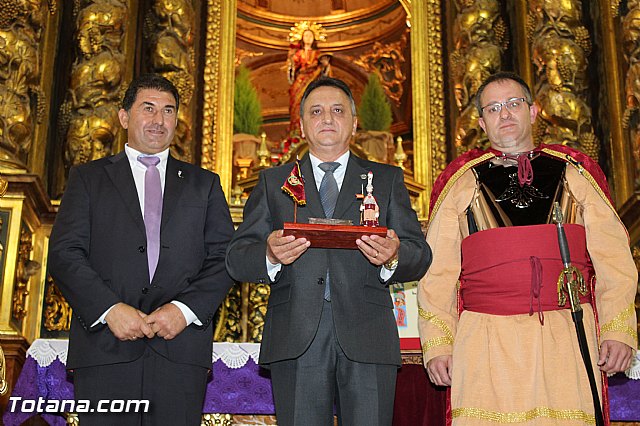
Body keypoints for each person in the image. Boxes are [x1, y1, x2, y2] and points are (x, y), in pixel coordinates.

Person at [418, 71, 638, 425]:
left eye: (514, 104)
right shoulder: (459, 184)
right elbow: (437, 275)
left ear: (534, 111)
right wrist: (439, 345)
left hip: (565, 335)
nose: (505, 114)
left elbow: (614, 261)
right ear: (481, 122)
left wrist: (616, 330)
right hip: (486, 341)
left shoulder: (575, 174)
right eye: (493, 108)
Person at [226, 77, 431, 426]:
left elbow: (420, 253)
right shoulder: (273, 181)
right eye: (316, 111)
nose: (327, 119)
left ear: (353, 122)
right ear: (302, 125)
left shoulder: (386, 179)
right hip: (296, 335)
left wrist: (393, 256)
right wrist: (270, 255)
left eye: (338, 111)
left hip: (368, 335)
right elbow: (237, 257)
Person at [48, 74, 234, 425]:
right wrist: (109, 309)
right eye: (147, 109)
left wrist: (183, 309)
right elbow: (65, 252)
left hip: (179, 352)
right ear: (123, 117)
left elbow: (224, 257)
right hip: (104, 348)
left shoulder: (204, 185)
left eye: (168, 111)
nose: (158, 120)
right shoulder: (87, 179)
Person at [287, 28, 331, 136]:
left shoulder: (318, 54)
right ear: (302, 38)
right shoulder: (298, 54)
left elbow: (324, 72)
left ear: (314, 39)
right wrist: (291, 62)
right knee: (297, 105)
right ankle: (297, 132)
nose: (308, 38)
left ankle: (313, 131)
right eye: (306, 35)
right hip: (300, 81)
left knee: (313, 104)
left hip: (313, 82)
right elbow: (292, 70)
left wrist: (325, 66)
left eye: (310, 36)